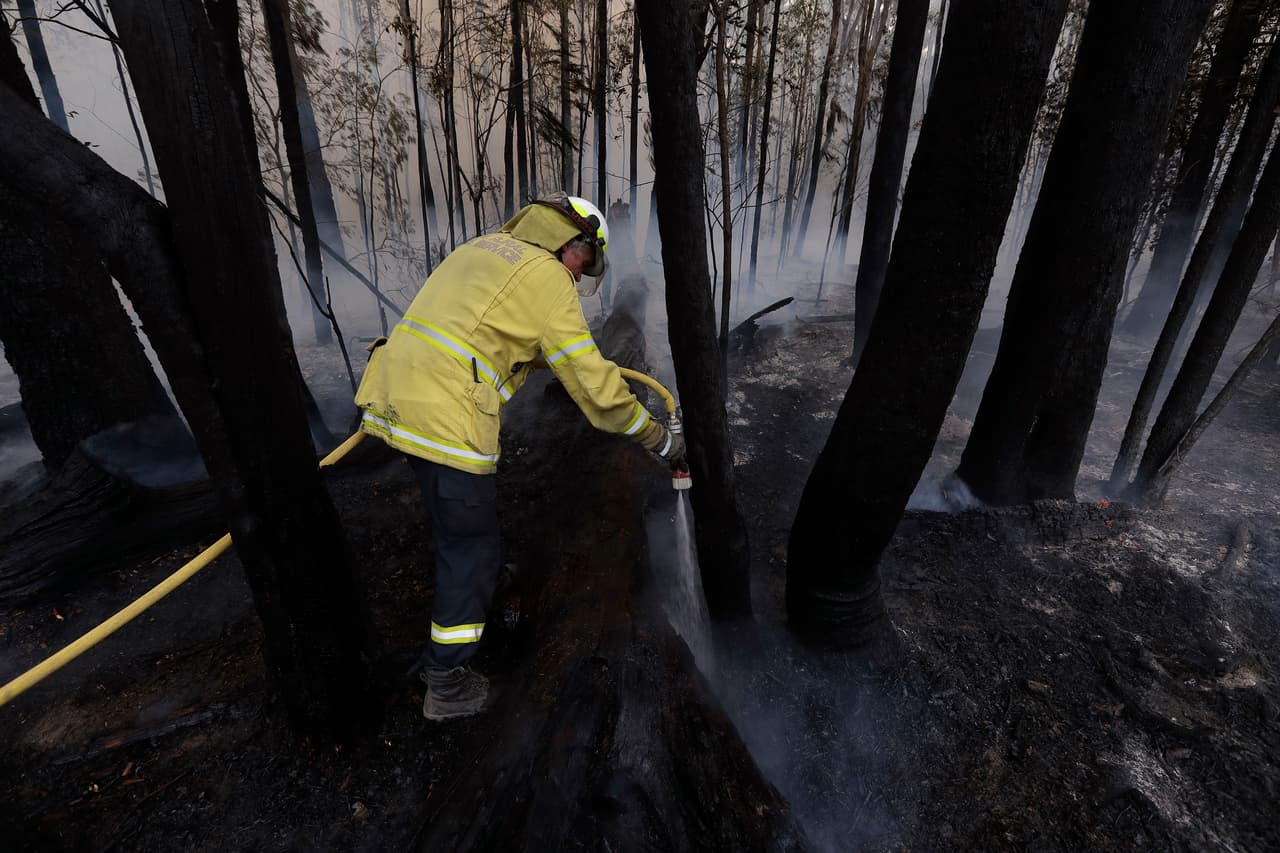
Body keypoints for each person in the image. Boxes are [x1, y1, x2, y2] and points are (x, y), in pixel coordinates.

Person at [354, 193, 686, 720]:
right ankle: (447, 682)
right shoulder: (548, 278)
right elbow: (599, 395)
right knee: (472, 549)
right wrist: (660, 441)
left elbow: (495, 331)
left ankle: (463, 584)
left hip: (392, 395)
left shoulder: (484, 248)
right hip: (445, 415)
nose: (579, 277)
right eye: (584, 263)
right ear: (571, 243)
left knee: (454, 527)